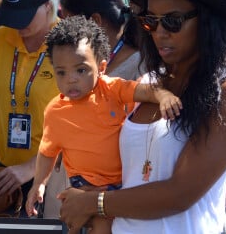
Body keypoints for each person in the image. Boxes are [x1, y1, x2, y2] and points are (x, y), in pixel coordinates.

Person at [58, 0, 226, 234]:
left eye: (173, 21)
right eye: (150, 21)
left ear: (207, 22)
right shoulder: (151, 81)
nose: (159, 32)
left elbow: (180, 193)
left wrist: (95, 203)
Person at [26, 15, 182, 233]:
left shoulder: (112, 89)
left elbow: (144, 91)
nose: (71, 79)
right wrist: (39, 183)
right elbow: (48, 151)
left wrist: (164, 96)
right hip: (83, 184)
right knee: (99, 226)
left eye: (80, 70)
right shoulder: (55, 110)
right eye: (61, 72)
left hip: (126, 181)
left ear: (101, 67)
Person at [0, 0, 59, 217]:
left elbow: (78, 125)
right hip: (6, 176)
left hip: (54, 178)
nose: (18, 25)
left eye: (26, 14)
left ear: (48, 6)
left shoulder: (67, 44)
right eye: (11, 13)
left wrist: (32, 168)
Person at [60, 0, 141, 80]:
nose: (65, 30)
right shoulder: (89, 59)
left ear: (95, 21)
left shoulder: (139, 66)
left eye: (69, 23)